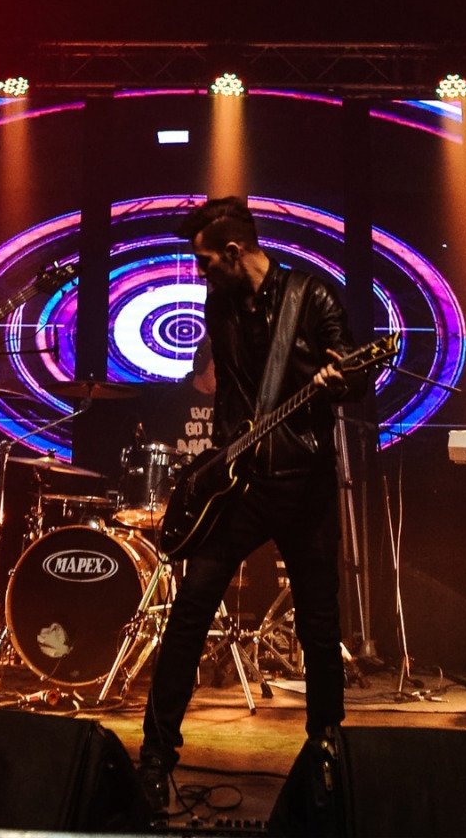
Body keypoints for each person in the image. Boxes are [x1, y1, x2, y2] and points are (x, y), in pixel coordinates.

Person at [137, 196, 363, 812]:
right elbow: (232, 394)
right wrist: (216, 463)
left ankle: (326, 755)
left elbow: (356, 374)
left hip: (305, 482)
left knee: (319, 623)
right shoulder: (221, 304)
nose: (202, 273)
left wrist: (339, 377)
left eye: (207, 262)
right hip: (240, 484)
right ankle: (155, 759)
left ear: (235, 252)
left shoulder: (312, 298)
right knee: (190, 611)